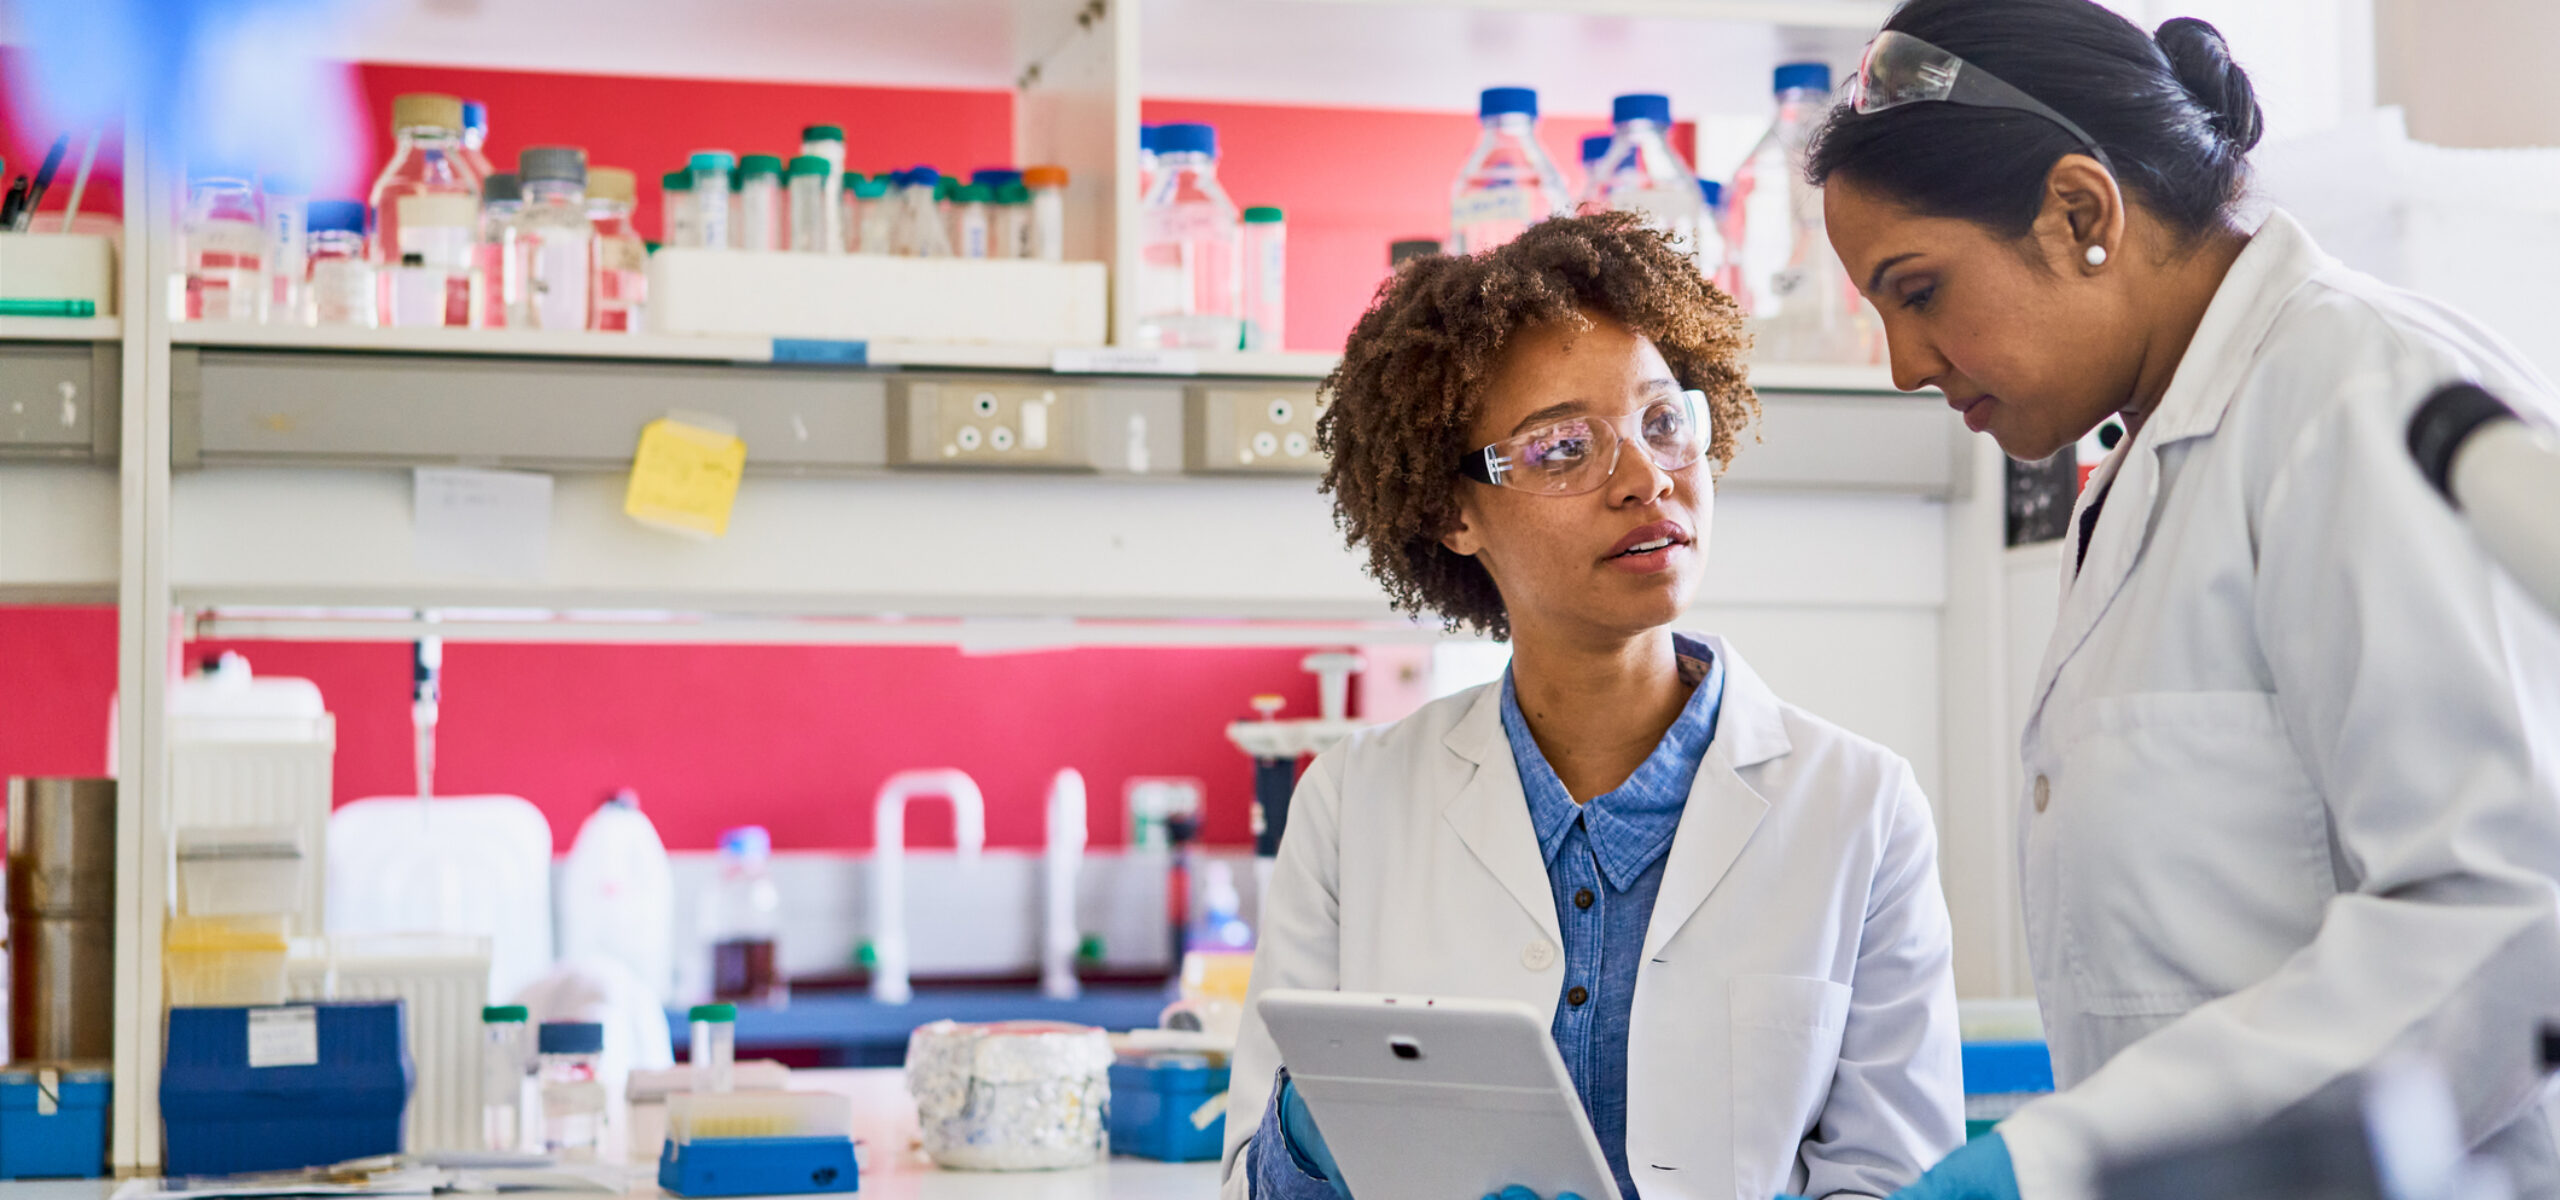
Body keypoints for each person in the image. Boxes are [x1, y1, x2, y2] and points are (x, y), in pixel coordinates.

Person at [1807, 2, 2560, 1198]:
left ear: (2078, 212)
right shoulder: (2155, 453)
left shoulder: (2366, 401)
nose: (1905, 363)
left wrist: (2060, 1159)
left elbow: (2504, 911)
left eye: (1919, 289)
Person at [1219, 211, 1964, 1200]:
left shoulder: (1859, 806)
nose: (1645, 476)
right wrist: (1314, 1131)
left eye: (1663, 421)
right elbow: (1251, 1189)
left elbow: (1890, 1180)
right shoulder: (1353, 805)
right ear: (1452, 512)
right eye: (1564, 447)